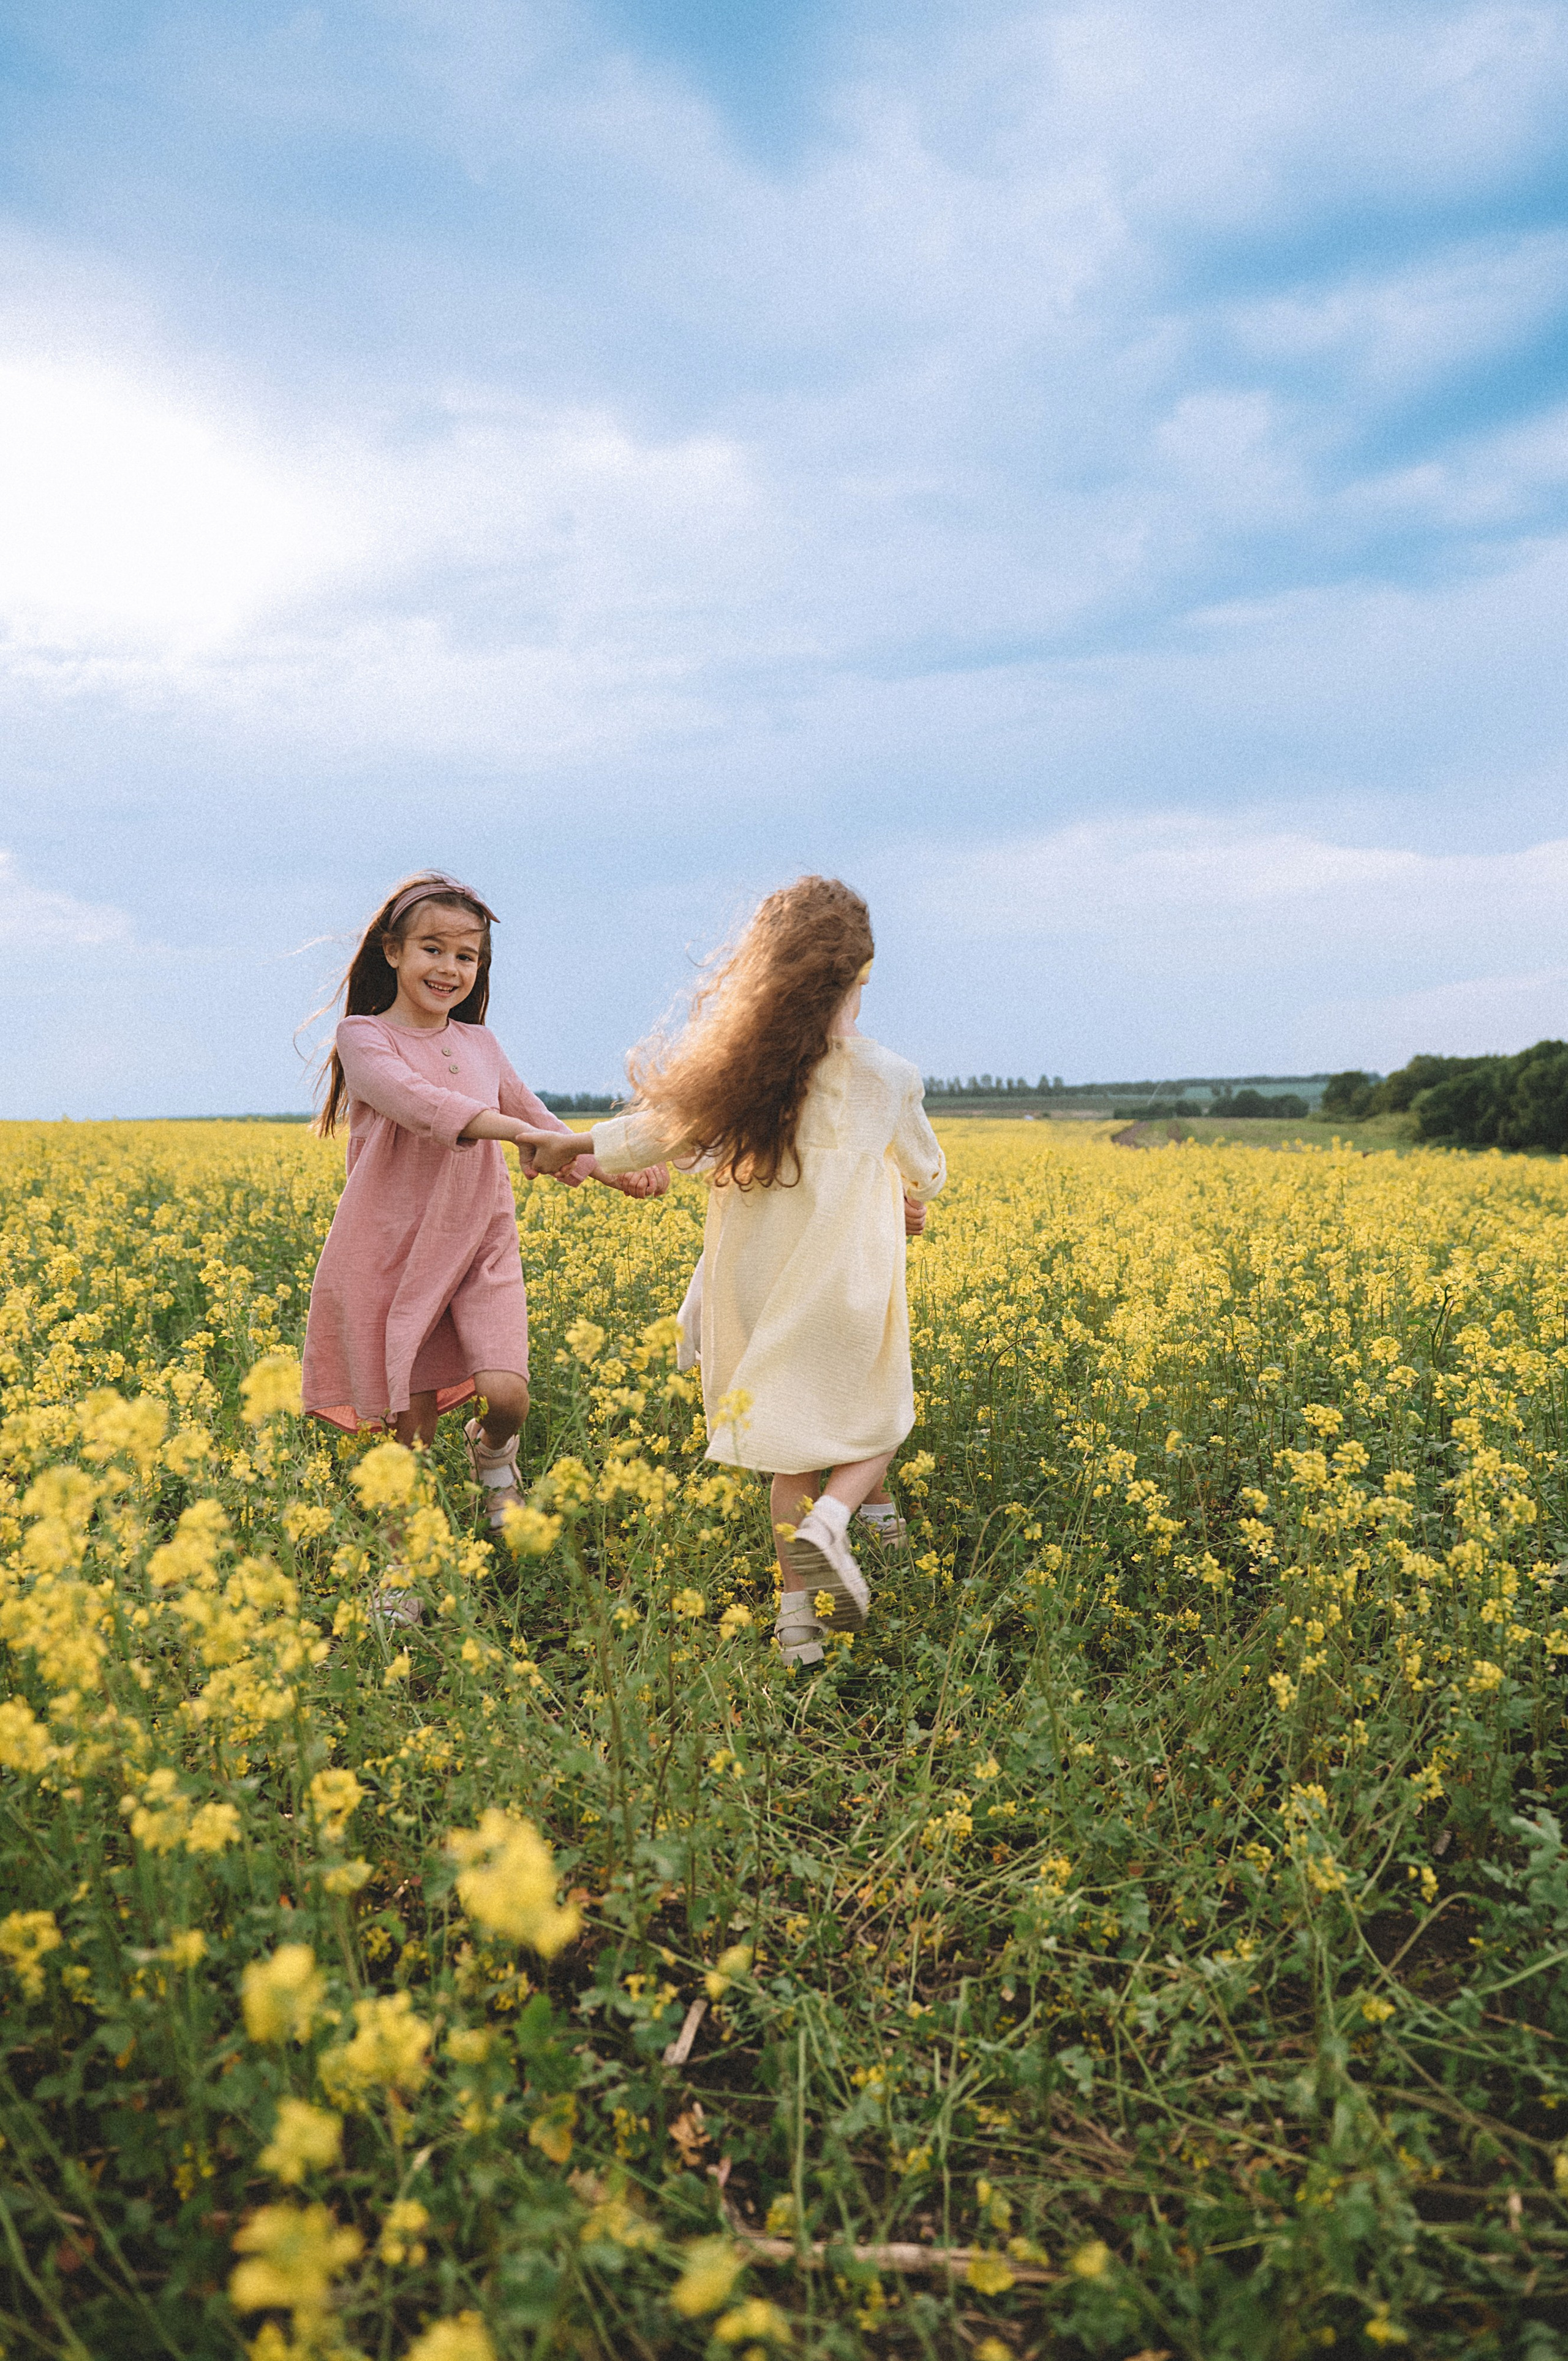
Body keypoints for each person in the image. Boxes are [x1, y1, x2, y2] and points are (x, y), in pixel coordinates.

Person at [516, 875, 945, 1666]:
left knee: (791, 1456)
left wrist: (571, 1143)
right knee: (881, 1418)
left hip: (761, 1287)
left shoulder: (745, 1077)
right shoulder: (888, 1074)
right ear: (857, 977)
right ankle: (834, 1521)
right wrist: (900, 1192)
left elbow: (652, 1134)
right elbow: (928, 1169)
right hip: (845, 1289)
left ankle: (796, 1628)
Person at [301, 872, 667, 1531]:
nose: (450, 968)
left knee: (507, 1395)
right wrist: (518, 1134)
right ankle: (405, 1559)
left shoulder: (481, 1044)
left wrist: (615, 1166)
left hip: (481, 1242)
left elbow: (539, 1120)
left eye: (466, 956)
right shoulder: (363, 1037)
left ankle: (493, 1452)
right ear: (393, 951)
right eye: (432, 949)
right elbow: (424, 1105)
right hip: (396, 1251)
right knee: (409, 1432)